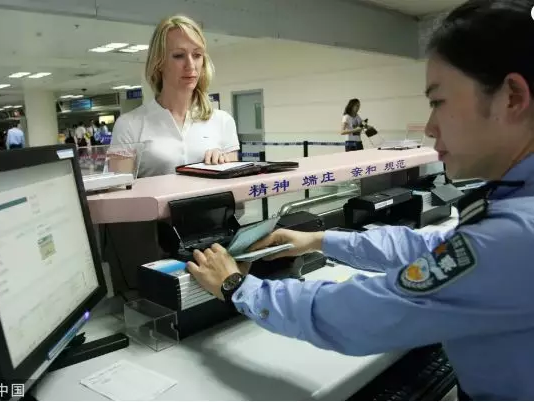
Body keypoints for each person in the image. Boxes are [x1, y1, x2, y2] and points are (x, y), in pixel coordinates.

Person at [186, 0, 534, 399]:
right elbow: (430, 248)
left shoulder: (515, 236)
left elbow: (361, 314)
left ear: (512, 97)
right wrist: (318, 240)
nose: (430, 126)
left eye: (438, 101)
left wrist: (236, 287)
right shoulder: (517, 202)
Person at [110, 15, 240, 178]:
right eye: (179, 55)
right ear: (159, 62)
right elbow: (119, 191)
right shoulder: (129, 125)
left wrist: (222, 162)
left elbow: (235, 187)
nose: (190, 65)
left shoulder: (223, 121)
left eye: (197, 55)